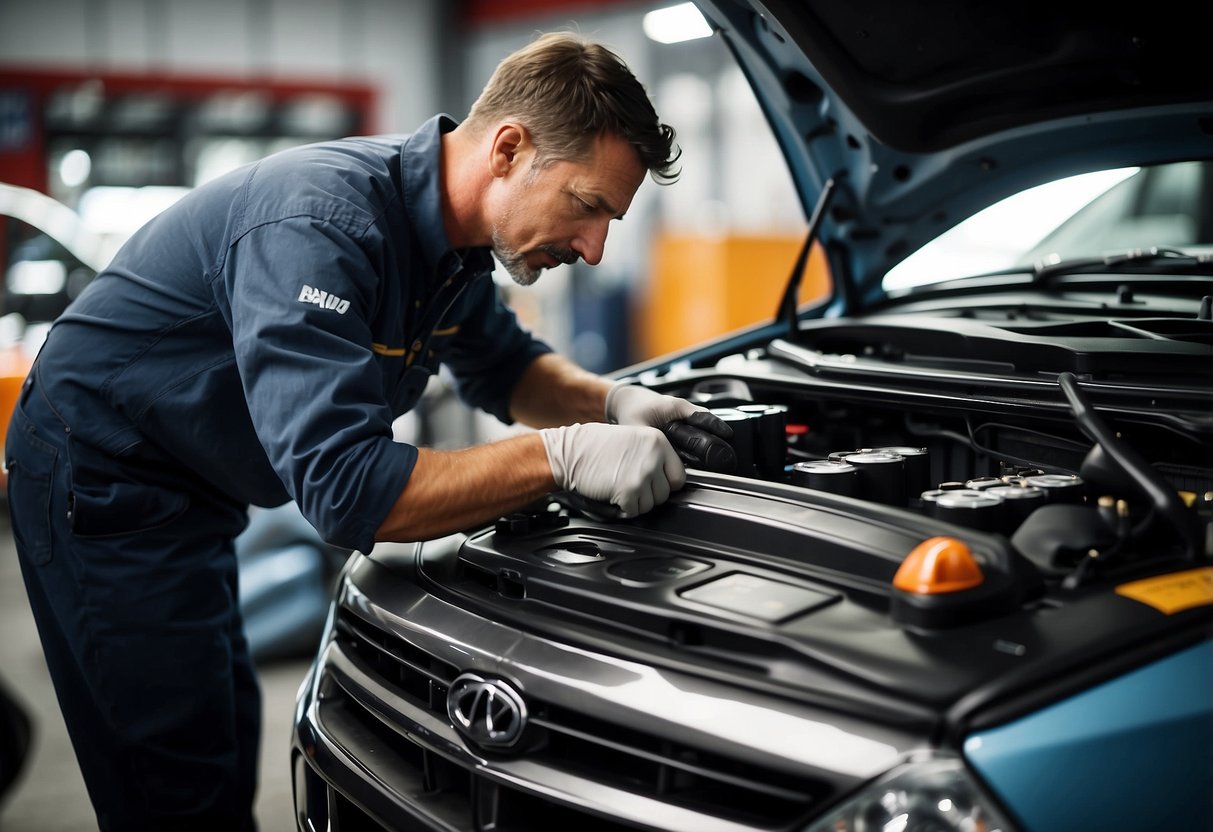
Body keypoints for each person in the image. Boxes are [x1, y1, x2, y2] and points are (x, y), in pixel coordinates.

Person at [4, 31, 730, 830]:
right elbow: (349, 494)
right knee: (172, 775)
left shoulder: (449, 245)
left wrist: (615, 406)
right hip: (102, 472)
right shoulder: (324, 226)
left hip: (198, 482)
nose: (594, 249)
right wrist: (559, 457)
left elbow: (506, 368)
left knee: (217, 727)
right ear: (509, 148)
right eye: (587, 206)